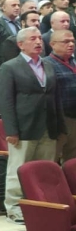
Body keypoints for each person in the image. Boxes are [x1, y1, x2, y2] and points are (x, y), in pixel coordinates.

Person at [0, 27, 65, 222]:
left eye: (39, 38)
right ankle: (14, 207)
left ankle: (43, 205)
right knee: (18, 168)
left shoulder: (48, 64)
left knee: (45, 169)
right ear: (20, 44)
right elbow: (5, 101)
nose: (38, 42)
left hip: (48, 126)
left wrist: (60, 126)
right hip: (24, 127)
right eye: (32, 39)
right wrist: (11, 130)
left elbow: (55, 97)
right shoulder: (10, 67)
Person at [46, 29, 76, 162]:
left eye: (72, 41)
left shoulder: (74, 61)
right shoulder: (46, 64)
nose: (71, 44)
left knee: (72, 158)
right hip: (60, 118)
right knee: (53, 156)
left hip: (74, 116)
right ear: (53, 44)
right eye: (66, 41)